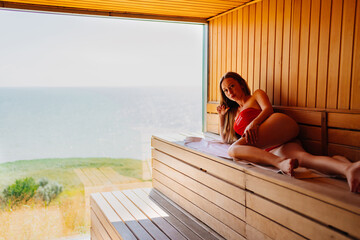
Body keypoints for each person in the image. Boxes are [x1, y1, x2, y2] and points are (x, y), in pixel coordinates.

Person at [217, 71, 360, 193]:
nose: (230, 92)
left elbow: (268, 109)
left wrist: (254, 123)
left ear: (241, 84)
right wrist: (221, 117)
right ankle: (347, 168)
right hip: (273, 146)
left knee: (234, 150)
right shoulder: (234, 112)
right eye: (225, 90)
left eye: (232, 86)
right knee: (305, 160)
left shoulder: (256, 95)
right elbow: (224, 139)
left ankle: (280, 163)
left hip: (279, 125)